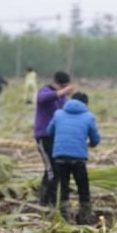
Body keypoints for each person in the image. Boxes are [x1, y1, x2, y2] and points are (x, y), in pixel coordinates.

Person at [47, 92, 101, 224]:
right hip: (78, 157)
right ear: (85, 104)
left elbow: (49, 131)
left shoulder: (58, 114)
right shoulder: (88, 117)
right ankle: (84, 217)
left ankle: (64, 217)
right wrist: (90, 144)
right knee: (83, 187)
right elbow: (95, 139)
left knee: (63, 187)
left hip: (59, 156)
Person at [34, 71, 75, 207]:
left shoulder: (62, 97)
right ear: (57, 83)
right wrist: (62, 92)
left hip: (56, 137)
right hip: (43, 137)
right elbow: (42, 99)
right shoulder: (45, 91)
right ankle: (48, 202)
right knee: (52, 171)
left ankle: (47, 200)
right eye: (62, 86)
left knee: (54, 169)